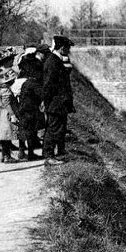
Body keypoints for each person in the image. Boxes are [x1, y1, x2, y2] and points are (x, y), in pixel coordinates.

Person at [42, 35, 74, 165]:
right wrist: (46, 101)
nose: (68, 51)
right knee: (53, 128)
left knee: (57, 128)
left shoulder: (55, 60)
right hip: (55, 102)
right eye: (67, 48)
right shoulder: (53, 62)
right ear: (61, 48)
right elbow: (49, 85)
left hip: (58, 102)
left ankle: (55, 154)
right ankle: (49, 156)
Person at [16, 55, 44, 161]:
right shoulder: (34, 84)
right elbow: (41, 95)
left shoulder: (25, 83)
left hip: (23, 109)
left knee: (23, 130)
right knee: (31, 132)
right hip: (30, 110)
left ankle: (21, 152)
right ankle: (31, 154)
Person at [0, 68, 23, 163]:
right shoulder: (6, 90)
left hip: (2, 114)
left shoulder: (2, 89)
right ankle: (7, 157)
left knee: (4, 136)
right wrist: (13, 114)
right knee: (6, 136)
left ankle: (4, 156)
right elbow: (7, 103)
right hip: (6, 114)